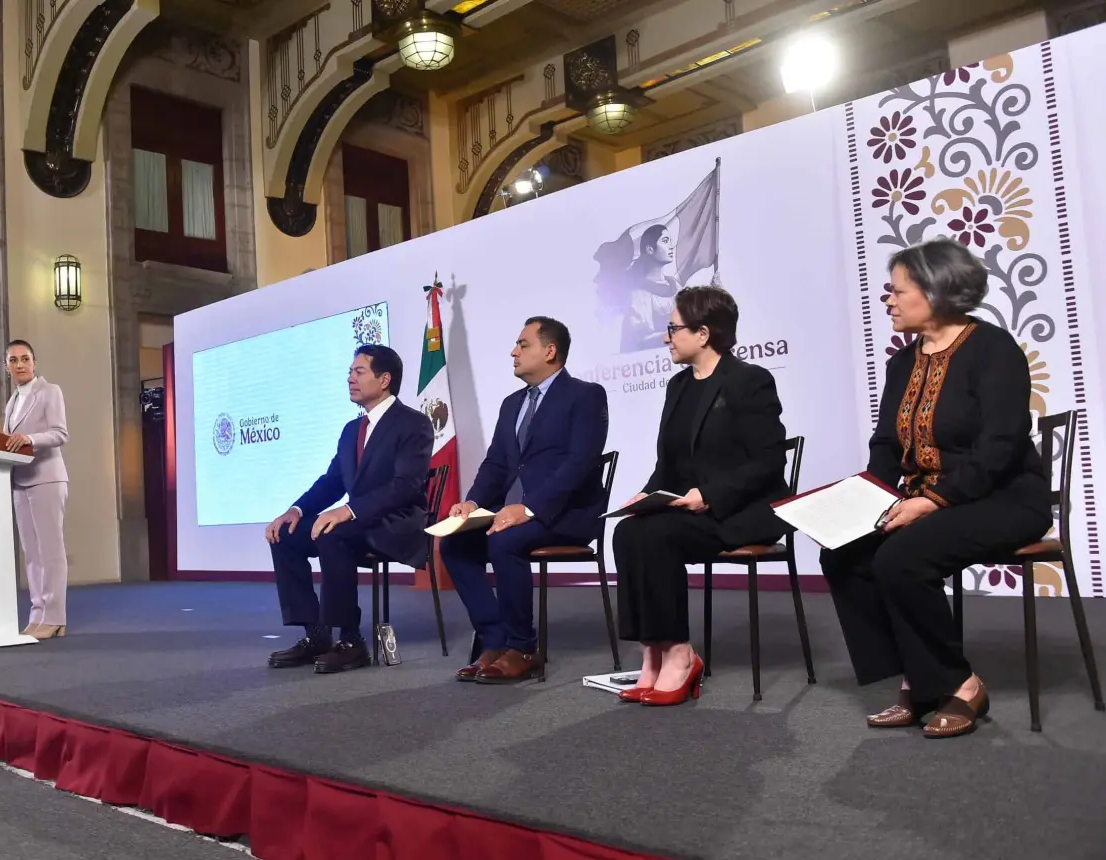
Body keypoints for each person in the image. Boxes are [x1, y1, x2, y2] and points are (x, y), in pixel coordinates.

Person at [821, 237, 1051, 739]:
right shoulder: (902, 362)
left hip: (1006, 498)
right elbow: (886, 444)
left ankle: (960, 685)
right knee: (843, 552)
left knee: (901, 557)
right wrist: (861, 502)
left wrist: (931, 501)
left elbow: (999, 447)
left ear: (936, 290)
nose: (888, 300)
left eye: (897, 290)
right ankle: (920, 679)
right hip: (928, 501)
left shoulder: (993, 350)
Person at [611, 286, 790, 707]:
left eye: (673, 328)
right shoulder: (678, 386)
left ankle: (680, 654)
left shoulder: (749, 381)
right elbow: (669, 463)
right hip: (689, 509)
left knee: (657, 537)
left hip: (740, 510)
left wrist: (707, 494)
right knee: (628, 532)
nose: (666, 337)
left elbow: (768, 462)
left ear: (704, 333)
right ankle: (651, 653)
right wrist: (648, 493)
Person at [442, 317, 609, 684]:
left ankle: (524, 648)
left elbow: (579, 464)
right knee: (454, 544)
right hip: (511, 514)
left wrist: (529, 508)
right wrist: (472, 503)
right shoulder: (511, 403)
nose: (513, 352)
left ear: (550, 351)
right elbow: (496, 464)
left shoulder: (585, 395)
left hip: (564, 514)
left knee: (504, 542)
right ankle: (494, 639)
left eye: (523, 344)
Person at [264, 345, 433, 674]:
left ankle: (351, 641)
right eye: (349, 373)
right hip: (358, 524)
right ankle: (316, 634)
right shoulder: (351, 430)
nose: (350, 379)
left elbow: (405, 486)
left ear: (384, 379)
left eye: (359, 372)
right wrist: (296, 509)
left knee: (334, 532)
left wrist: (348, 511)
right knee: (286, 535)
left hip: (395, 523)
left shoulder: (413, 423)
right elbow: (332, 481)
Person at [3, 340, 70, 640]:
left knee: (50, 551)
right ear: (6, 366)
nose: (20, 364)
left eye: (25, 358)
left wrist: (28, 437)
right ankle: (38, 612)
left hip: (47, 477)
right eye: (13, 360)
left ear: (34, 362)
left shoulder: (49, 391)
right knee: (31, 554)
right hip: (21, 480)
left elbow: (59, 434)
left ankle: (55, 616)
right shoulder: (12, 401)